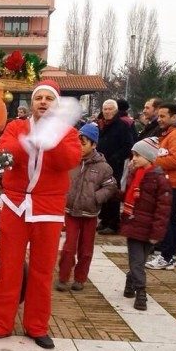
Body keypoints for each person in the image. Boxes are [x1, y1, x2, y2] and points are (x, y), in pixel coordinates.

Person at [0, 80, 81, 349]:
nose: (43, 102)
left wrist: (50, 140)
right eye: (38, 98)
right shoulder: (15, 127)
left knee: (42, 272)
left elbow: (68, 161)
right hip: (15, 205)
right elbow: (6, 153)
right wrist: (31, 141)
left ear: (56, 104)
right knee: (8, 269)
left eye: (48, 99)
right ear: (31, 104)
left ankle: (37, 326)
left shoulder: (67, 132)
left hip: (49, 209)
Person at [56, 123, 117, 292]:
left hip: (90, 213)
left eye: (83, 143)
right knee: (68, 247)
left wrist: (96, 198)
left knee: (86, 249)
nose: (79, 147)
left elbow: (111, 186)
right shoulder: (71, 162)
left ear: (94, 144)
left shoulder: (103, 167)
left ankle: (80, 278)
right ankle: (63, 276)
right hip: (71, 211)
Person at [120, 137, 172, 310]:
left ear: (149, 157)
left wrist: (157, 233)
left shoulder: (159, 179)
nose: (133, 158)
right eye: (133, 154)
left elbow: (163, 209)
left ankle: (130, 279)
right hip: (134, 225)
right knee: (136, 261)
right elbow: (127, 196)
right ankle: (141, 293)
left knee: (140, 262)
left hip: (150, 227)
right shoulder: (134, 175)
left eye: (137, 155)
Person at [146, 103, 176, 270]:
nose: (159, 119)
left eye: (163, 116)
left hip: (174, 183)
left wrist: (153, 161)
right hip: (171, 181)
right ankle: (170, 255)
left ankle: (167, 255)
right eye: (159, 116)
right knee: (171, 219)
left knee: (167, 219)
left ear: (174, 117)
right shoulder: (170, 134)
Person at [96, 99, 134, 235]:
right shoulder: (101, 124)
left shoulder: (122, 126)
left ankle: (113, 223)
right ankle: (104, 220)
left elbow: (128, 145)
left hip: (114, 165)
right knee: (103, 192)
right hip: (101, 164)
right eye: (105, 109)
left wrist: (115, 158)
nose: (107, 112)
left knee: (112, 193)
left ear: (116, 110)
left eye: (110, 109)